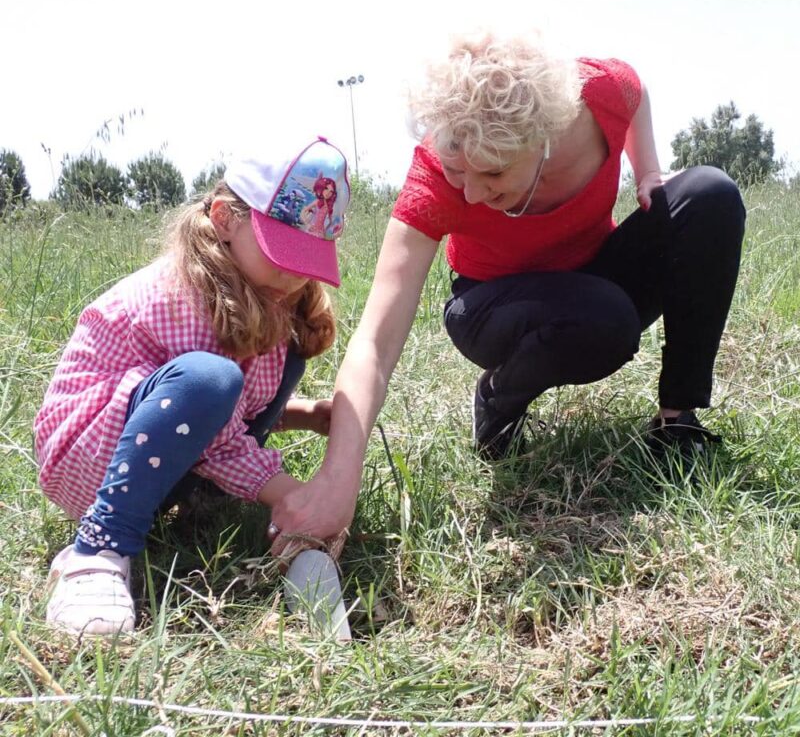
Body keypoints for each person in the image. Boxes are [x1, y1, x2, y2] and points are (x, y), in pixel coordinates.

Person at [268, 31, 746, 548]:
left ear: (543, 138)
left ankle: (677, 422)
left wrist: (648, 170)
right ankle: (497, 398)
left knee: (707, 195)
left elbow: (635, 89)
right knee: (604, 319)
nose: (470, 191)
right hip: (490, 305)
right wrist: (339, 480)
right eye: (458, 169)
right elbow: (375, 343)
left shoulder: (598, 95)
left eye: (493, 171)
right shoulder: (437, 178)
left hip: (590, 277)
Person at [35, 137, 351, 636]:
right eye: (280, 252)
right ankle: (96, 549)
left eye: (306, 260)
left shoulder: (259, 288)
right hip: (94, 453)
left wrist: (297, 412)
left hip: (162, 428)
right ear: (225, 218)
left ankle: (199, 503)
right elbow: (202, 398)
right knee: (210, 377)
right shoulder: (186, 294)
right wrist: (293, 495)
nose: (293, 276)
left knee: (282, 351)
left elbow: (226, 399)